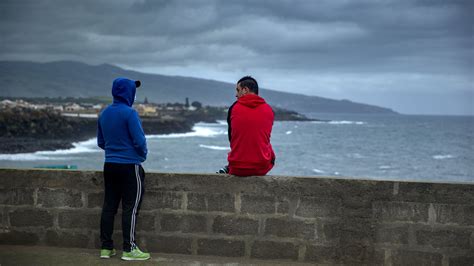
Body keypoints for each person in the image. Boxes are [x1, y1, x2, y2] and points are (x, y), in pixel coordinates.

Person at [97, 77, 150, 261]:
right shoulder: (130, 113)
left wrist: (114, 151)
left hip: (109, 165)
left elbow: (101, 142)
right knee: (131, 208)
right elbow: (140, 141)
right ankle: (129, 249)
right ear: (129, 93)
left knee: (109, 206)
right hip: (129, 167)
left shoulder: (104, 114)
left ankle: (106, 248)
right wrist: (141, 155)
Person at [219, 76, 276, 176]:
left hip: (237, 168)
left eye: (238, 90)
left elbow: (231, 138)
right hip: (261, 168)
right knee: (267, 144)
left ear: (245, 90)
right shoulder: (269, 110)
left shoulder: (234, 108)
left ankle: (228, 168)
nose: (236, 95)